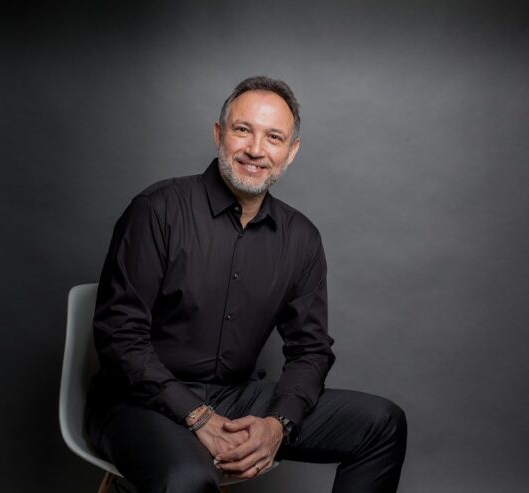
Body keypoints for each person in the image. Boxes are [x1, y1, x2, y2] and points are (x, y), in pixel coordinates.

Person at [85, 75, 407, 493]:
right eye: (243, 130)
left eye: (274, 137)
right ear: (219, 134)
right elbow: (119, 338)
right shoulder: (156, 211)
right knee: (187, 480)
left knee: (382, 423)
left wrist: (279, 423)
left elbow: (310, 350)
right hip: (139, 401)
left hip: (236, 397)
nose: (256, 149)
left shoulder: (301, 238)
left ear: (291, 152)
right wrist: (196, 415)